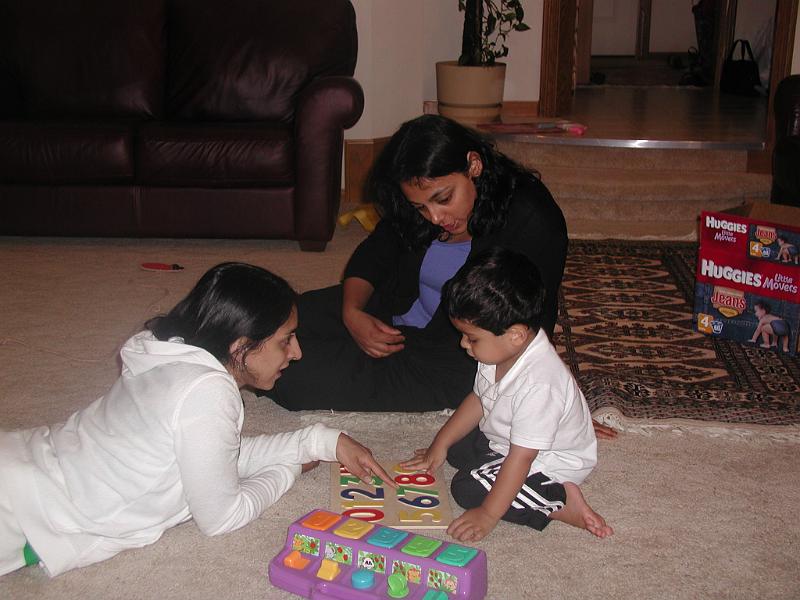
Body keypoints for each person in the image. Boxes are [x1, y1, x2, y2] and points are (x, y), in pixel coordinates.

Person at [0, 263, 393, 578]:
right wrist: (288, 468)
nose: (298, 353)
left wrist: (321, 441)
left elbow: (210, 456)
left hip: (24, 465)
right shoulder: (207, 392)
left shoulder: (168, 354)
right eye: (285, 340)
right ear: (241, 349)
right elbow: (223, 517)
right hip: (24, 512)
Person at [266, 114, 615, 438]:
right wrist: (353, 313)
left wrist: (556, 405)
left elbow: (529, 322)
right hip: (393, 305)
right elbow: (377, 252)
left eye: (443, 199)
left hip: (448, 356)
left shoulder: (532, 220)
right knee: (270, 319)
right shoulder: (422, 203)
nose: (434, 216)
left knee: (290, 378)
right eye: (421, 206)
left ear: (473, 165)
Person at [402, 248, 613, 542]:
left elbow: (522, 457)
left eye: (472, 338)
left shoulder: (540, 385)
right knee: (457, 447)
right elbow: (478, 399)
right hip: (509, 440)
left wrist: (488, 514)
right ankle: (490, 466)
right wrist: (440, 444)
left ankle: (558, 501)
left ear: (515, 334)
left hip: (547, 462)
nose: (464, 344)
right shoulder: (501, 351)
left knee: (466, 488)